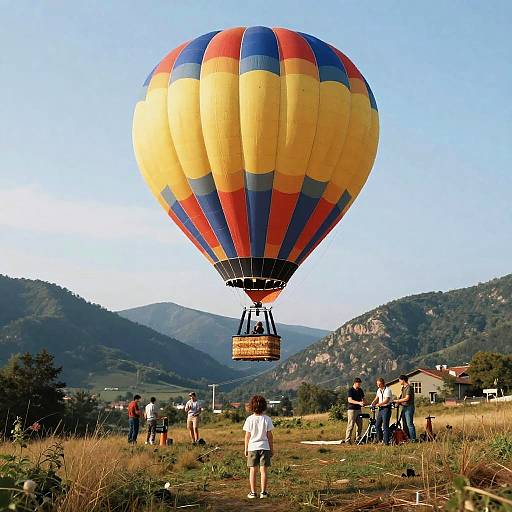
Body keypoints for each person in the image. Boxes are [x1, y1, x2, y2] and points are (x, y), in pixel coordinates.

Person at [243, 395, 274, 499]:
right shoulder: (267, 419)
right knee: (263, 471)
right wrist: (271, 449)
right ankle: (263, 493)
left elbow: (247, 436)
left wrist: (246, 448)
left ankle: (253, 493)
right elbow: (270, 436)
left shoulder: (249, 419)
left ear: (252, 406)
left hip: (252, 447)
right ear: (264, 406)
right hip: (265, 447)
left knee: (253, 470)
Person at [394, 374, 416, 441]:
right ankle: (407, 438)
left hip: (409, 407)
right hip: (404, 407)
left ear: (403, 380)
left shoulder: (409, 387)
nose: (399, 381)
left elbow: (407, 398)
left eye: (400, 380)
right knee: (404, 424)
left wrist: (397, 401)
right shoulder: (403, 388)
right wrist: (398, 402)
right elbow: (402, 397)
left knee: (409, 424)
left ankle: (413, 439)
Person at [371, 378, 392, 445]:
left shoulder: (387, 390)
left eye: (379, 384)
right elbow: (377, 398)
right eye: (377, 384)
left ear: (383, 383)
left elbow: (387, 400)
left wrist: (379, 404)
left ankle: (386, 442)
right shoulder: (378, 390)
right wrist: (373, 403)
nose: (378, 385)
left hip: (386, 408)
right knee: (377, 425)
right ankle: (380, 439)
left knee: (385, 425)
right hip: (380, 409)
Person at [345, 377, 366, 443]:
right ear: (355, 383)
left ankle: (358, 439)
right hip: (352, 410)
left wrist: (364, 402)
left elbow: (363, 398)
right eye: (358, 384)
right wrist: (358, 403)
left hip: (359, 410)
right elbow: (349, 400)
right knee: (351, 425)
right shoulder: (350, 390)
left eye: (360, 384)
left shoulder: (360, 390)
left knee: (360, 425)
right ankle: (347, 440)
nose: (359, 385)